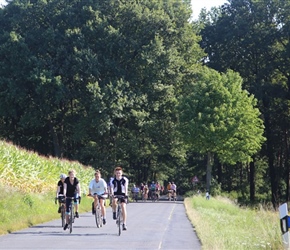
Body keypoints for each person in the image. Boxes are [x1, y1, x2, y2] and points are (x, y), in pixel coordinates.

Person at [110, 166, 129, 230]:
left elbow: (126, 187)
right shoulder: (112, 180)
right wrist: (112, 194)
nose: (118, 174)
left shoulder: (125, 179)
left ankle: (124, 223)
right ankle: (114, 212)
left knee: (123, 206)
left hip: (123, 194)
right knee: (114, 201)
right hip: (115, 193)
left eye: (119, 173)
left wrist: (126, 194)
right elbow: (112, 187)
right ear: (115, 173)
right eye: (117, 173)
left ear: (122, 173)